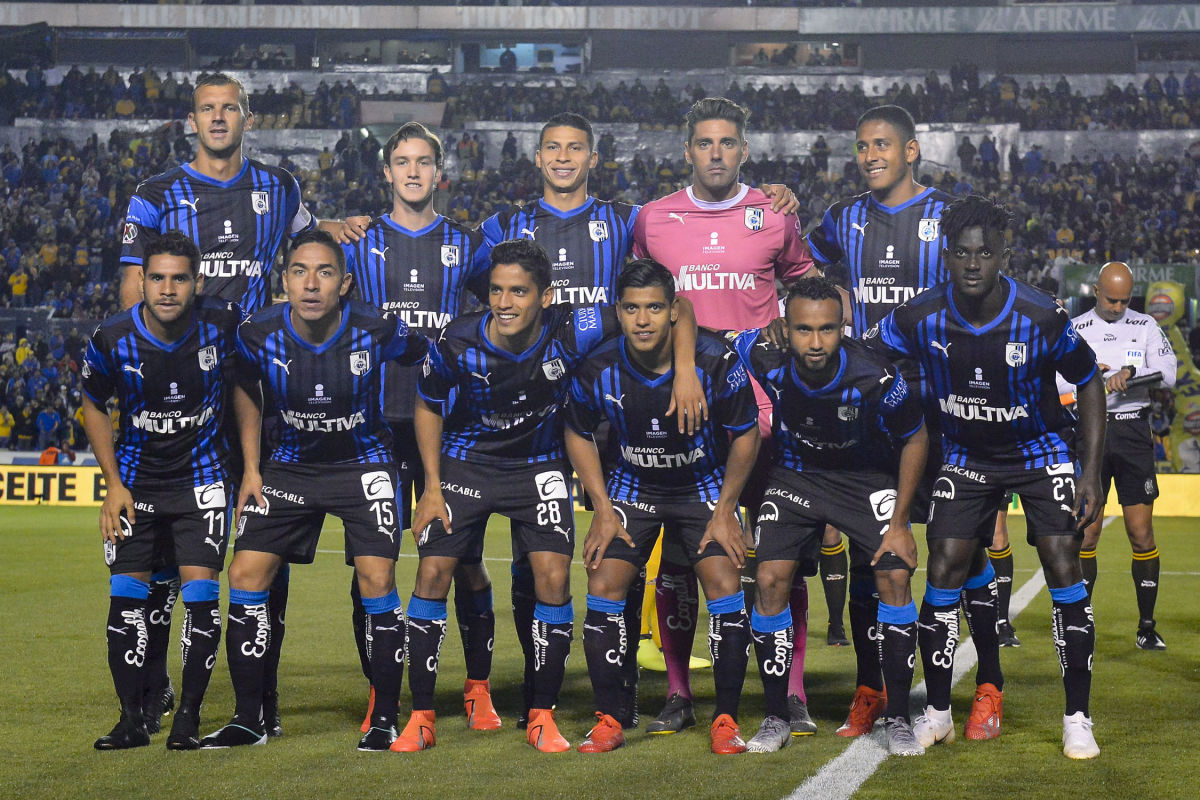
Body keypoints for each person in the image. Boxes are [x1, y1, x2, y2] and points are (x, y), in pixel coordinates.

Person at [394, 239, 698, 753]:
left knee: (554, 577)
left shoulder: (574, 327)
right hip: (468, 461)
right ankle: (421, 717)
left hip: (539, 464)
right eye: (496, 291)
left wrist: (685, 370)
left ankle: (541, 715)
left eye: (518, 292)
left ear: (546, 296)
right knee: (432, 572)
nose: (504, 303)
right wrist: (431, 486)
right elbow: (427, 403)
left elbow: (680, 306)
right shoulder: (457, 340)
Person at [117, 72, 328, 737]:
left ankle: (259, 700)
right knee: (160, 550)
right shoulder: (155, 195)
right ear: (191, 121)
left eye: (228, 108)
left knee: (264, 542)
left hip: (262, 391)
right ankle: (151, 692)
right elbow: (133, 291)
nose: (217, 118)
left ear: (247, 118)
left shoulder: (280, 188)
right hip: (186, 397)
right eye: (206, 109)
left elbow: (314, 245)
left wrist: (346, 228)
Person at [867, 194, 1105, 760]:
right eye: (962, 253)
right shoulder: (919, 316)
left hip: (1039, 451)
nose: (973, 263)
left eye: (984, 253)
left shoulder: (1042, 315)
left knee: (1062, 560)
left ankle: (1077, 718)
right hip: (966, 454)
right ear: (947, 256)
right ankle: (938, 714)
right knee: (944, 564)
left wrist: (1092, 473)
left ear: (1003, 256)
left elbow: (1089, 380)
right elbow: (864, 354)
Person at [199, 229, 428, 750]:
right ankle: (250, 718)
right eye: (300, 272)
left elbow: (427, 361)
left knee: (377, 577)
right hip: (289, 467)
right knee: (244, 573)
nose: (311, 284)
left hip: (363, 465)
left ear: (344, 283)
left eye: (324, 273)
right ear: (284, 280)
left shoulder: (376, 327)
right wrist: (251, 468)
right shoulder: (257, 332)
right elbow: (245, 389)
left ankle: (385, 718)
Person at [632, 96, 816, 737]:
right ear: (688, 150)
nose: (716, 153)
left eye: (727, 142)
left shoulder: (774, 214)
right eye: (705, 142)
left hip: (762, 411)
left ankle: (791, 692)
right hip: (682, 409)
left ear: (744, 149)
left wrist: (788, 336)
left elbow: (807, 287)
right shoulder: (653, 219)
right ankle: (678, 693)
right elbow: (638, 297)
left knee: (779, 555)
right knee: (680, 559)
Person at [804, 104, 964, 733]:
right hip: (871, 403)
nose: (871, 155)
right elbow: (802, 265)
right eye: (863, 146)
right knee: (872, 549)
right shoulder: (843, 218)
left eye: (882, 144)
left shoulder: (947, 214)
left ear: (911, 150)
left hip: (942, 401)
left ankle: (977, 690)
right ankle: (871, 690)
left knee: (956, 550)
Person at [565, 259, 759, 755]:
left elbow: (746, 434)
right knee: (603, 584)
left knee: (725, 585)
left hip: (701, 487)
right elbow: (577, 431)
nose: (643, 319)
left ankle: (726, 719)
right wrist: (601, 508)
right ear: (618, 312)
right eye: (632, 309)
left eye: (654, 308)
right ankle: (609, 720)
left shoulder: (715, 362)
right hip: (634, 487)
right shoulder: (598, 366)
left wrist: (726, 510)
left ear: (674, 311)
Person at [729, 276, 927, 755]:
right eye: (803, 329)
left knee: (895, 575)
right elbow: (705, 335)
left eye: (827, 329)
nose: (815, 342)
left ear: (843, 328)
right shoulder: (763, 353)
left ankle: (898, 717)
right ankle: (776, 716)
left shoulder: (876, 375)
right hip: (796, 475)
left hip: (864, 478)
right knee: (769, 579)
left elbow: (916, 437)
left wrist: (899, 524)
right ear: (785, 327)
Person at [341, 121, 495, 732]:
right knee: (371, 566)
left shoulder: (468, 244)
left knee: (461, 559)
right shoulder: (357, 242)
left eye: (423, 161)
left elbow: (504, 304)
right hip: (372, 425)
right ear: (386, 171)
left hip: (447, 425)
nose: (412, 171)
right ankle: (381, 692)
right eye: (402, 161)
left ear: (440, 172)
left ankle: (478, 687)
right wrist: (330, 224)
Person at [81, 232, 243, 750]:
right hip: (136, 486)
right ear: (142, 280)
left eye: (179, 278)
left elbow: (249, 389)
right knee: (126, 600)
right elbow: (92, 403)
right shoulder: (112, 337)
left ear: (198, 282)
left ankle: (187, 719)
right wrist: (113, 485)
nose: (167, 289)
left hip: (203, 480)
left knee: (201, 598)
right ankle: (131, 720)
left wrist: (251, 469)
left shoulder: (225, 324)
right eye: (157, 278)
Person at [1064, 261, 1177, 649]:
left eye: (1124, 300)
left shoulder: (1145, 326)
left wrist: (1130, 372)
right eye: (1111, 299)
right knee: (1087, 532)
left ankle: (1146, 627)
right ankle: (1081, 625)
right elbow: (1055, 379)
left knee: (1141, 533)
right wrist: (1090, 377)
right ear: (1096, 291)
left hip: (1132, 432)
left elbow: (1168, 372)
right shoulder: (1075, 328)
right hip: (1089, 433)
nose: (1117, 306)